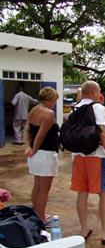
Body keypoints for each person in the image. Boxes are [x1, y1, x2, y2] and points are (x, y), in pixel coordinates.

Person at [70, 81, 105, 245]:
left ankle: (84, 229)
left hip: (79, 156)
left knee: (82, 192)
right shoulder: (97, 107)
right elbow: (103, 134)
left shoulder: (76, 107)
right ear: (94, 92)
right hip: (97, 156)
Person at [23, 87, 59, 224]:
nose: (55, 103)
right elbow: (40, 135)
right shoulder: (48, 113)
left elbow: (27, 130)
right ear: (49, 99)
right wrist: (35, 149)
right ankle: (41, 218)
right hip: (45, 153)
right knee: (44, 190)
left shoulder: (34, 110)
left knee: (37, 185)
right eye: (54, 100)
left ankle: (36, 214)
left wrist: (29, 147)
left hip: (35, 154)